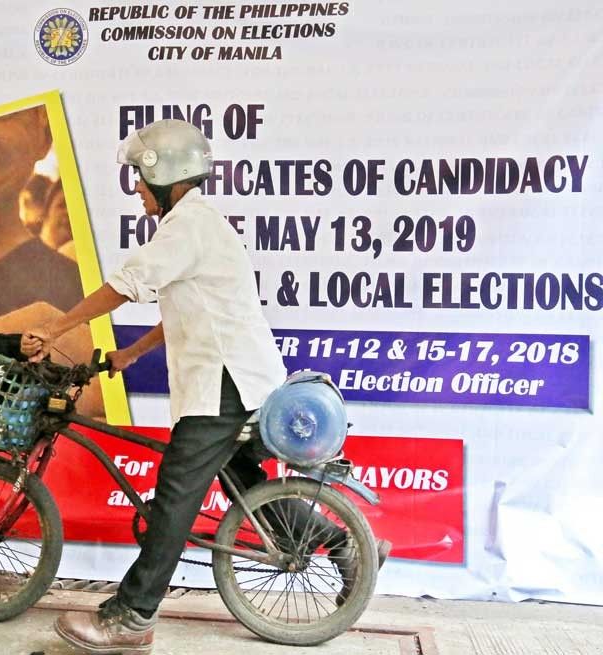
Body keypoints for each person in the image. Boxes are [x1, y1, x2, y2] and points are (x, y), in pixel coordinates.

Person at [21, 119, 389, 654]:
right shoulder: (197, 228)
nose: (138, 191)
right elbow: (188, 310)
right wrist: (132, 353)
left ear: (165, 175)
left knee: (173, 499)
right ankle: (346, 545)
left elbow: (126, 285)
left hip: (225, 386)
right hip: (238, 381)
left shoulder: (187, 227)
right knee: (242, 483)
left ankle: (131, 617)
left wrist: (56, 327)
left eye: (141, 181)